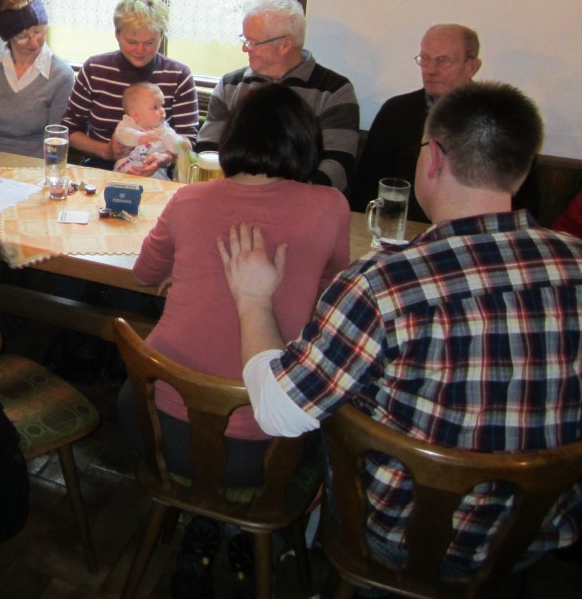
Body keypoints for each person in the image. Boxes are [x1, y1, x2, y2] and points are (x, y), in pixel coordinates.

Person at [219, 81, 582, 577]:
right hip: (531, 536)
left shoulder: (382, 283)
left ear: (433, 159)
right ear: (521, 169)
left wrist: (253, 299)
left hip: (398, 541)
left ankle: (290, 552)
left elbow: (276, 411)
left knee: (323, 419)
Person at [124, 83, 349, 596]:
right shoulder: (330, 206)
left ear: (231, 139)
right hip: (267, 453)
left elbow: (142, 274)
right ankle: (240, 530)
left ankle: (205, 523)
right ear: (305, 143)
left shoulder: (189, 198)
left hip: (160, 429)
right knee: (330, 419)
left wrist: (187, 268)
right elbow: (332, 289)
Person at [350, 24, 538, 222]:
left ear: (472, 67)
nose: (430, 70)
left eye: (443, 61)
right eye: (425, 59)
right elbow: (366, 187)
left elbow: (525, 201)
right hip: (399, 229)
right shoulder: (396, 111)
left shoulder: (500, 117)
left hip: (479, 230)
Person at [196, 0, 359, 193]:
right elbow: (207, 147)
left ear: (285, 45)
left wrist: (285, 198)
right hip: (234, 195)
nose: (245, 48)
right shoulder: (231, 85)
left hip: (302, 202)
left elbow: (338, 164)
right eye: (245, 39)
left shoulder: (333, 91)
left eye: (253, 42)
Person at [61, 0, 198, 175]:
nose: (140, 50)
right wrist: (105, 151)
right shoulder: (95, 69)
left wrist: (163, 158)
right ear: (117, 35)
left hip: (157, 171)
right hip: (99, 167)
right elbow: (70, 129)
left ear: (161, 37)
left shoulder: (179, 75)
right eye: (131, 42)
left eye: (149, 42)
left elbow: (188, 139)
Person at [0, 0, 75, 158]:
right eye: (22, 36)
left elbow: (55, 138)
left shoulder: (61, 75)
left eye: (38, 31)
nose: (33, 42)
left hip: (34, 164)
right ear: (8, 37)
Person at [112, 82, 183, 179]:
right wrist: (140, 138)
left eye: (162, 105)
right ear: (135, 115)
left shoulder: (164, 129)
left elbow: (176, 146)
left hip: (154, 170)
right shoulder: (129, 123)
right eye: (155, 107)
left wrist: (180, 146)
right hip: (126, 167)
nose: (162, 110)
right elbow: (121, 133)